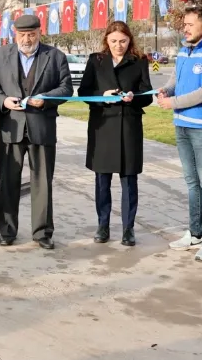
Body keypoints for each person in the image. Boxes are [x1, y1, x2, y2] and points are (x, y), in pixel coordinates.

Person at [0, 13, 72, 249]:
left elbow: (66, 88)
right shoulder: (0, 55)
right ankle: (7, 230)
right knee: (8, 181)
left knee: (42, 182)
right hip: (11, 128)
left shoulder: (55, 57)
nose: (27, 39)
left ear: (39, 33)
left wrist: (46, 99)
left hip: (42, 128)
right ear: (15, 34)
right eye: (22, 35)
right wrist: (3, 100)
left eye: (31, 34)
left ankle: (42, 232)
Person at [156, 5, 202, 262]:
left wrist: (174, 103)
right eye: (184, 24)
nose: (184, 28)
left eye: (190, 24)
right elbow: (175, 80)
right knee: (191, 183)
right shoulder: (184, 51)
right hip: (182, 125)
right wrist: (166, 91)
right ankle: (196, 233)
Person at [77, 21, 152, 247]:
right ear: (106, 41)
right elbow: (83, 92)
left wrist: (133, 96)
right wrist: (103, 95)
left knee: (129, 180)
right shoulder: (96, 61)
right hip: (103, 127)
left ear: (129, 40)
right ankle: (103, 225)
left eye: (123, 41)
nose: (118, 45)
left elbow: (147, 94)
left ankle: (128, 229)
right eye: (113, 41)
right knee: (102, 180)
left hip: (129, 127)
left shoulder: (139, 61)